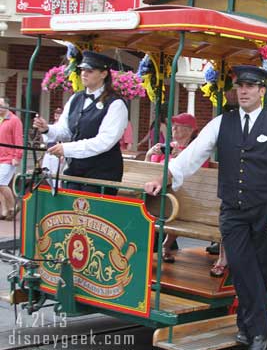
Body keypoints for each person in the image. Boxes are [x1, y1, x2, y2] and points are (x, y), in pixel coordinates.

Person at [144, 65, 267, 350]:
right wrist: (162, 178)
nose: (243, 91)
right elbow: (190, 156)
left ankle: (246, 327)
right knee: (240, 266)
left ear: (262, 91)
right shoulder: (221, 123)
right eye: (240, 86)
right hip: (233, 211)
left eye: (250, 86)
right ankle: (263, 329)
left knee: (260, 272)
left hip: (266, 210)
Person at [34, 51, 128, 195]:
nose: (84, 74)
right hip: (75, 170)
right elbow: (65, 131)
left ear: (103, 74)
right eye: (82, 70)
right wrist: (47, 129)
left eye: (89, 71)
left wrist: (67, 148)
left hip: (102, 174)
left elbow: (105, 141)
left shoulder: (116, 104)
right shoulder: (75, 99)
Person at [145, 112, 203, 263]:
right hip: (159, 194)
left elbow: (199, 174)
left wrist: (181, 158)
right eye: (173, 126)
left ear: (190, 130)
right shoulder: (167, 147)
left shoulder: (196, 150)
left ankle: (164, 245)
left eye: (178, 127)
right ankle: (153, 246)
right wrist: (149, 153)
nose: (174, 129)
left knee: (175, 204)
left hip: (187, 197)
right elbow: (150, 170)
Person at [0, 97, 23, 220]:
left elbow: (18, 139)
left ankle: (13, 206)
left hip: (9, 158)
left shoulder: (15, 120)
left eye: (1, 105)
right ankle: (4, 211)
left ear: (7, 106)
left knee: (1, 183)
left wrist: (17, 156)